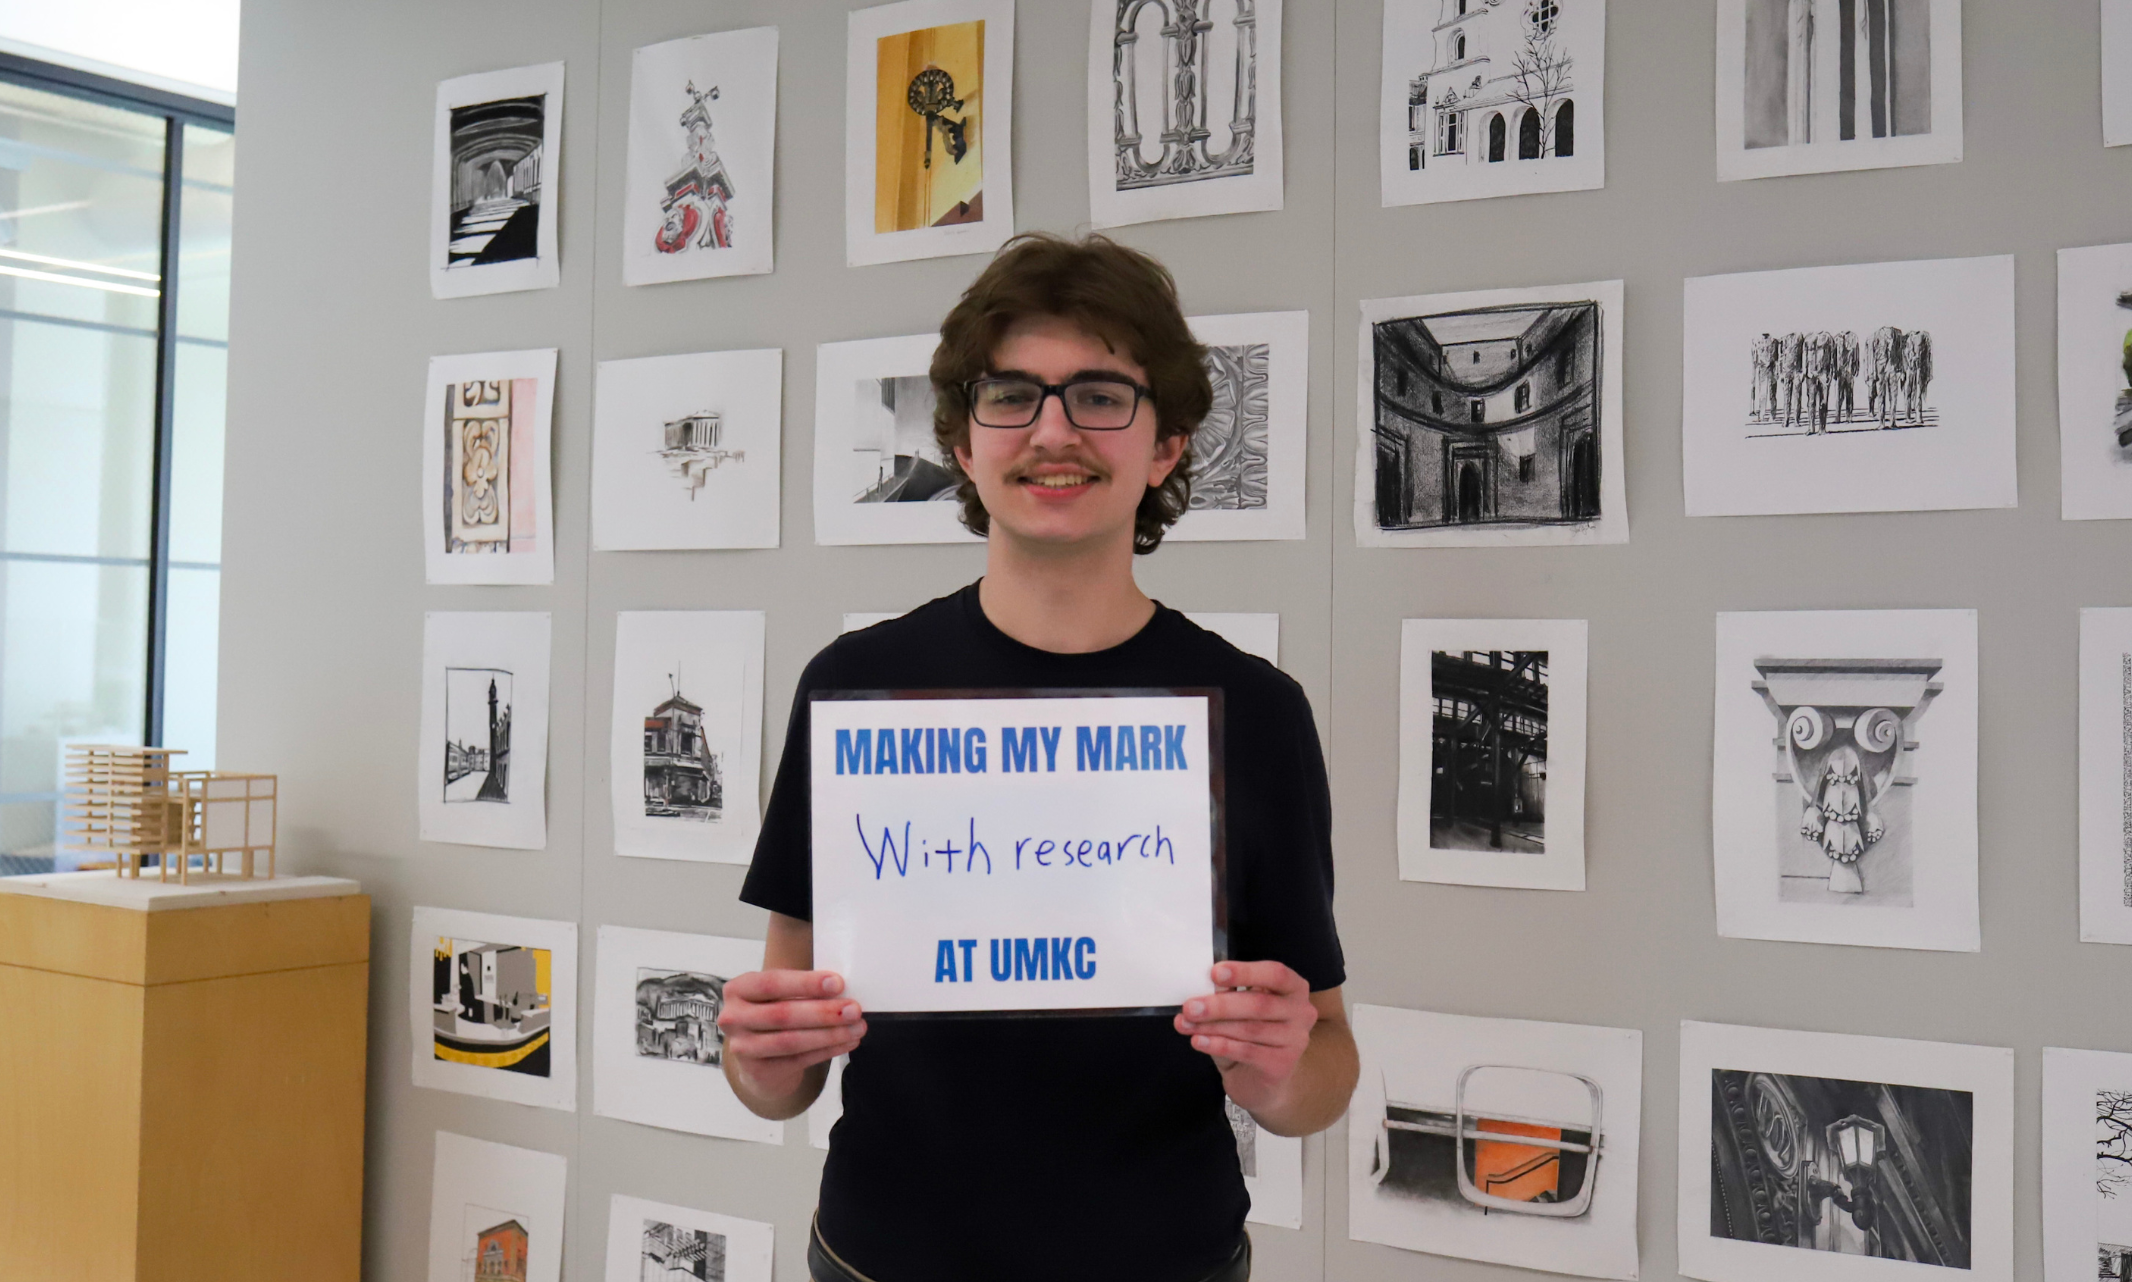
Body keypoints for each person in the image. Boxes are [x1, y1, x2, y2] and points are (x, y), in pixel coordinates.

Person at [720, 233, 1354, 1282]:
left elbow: (1323, 1068)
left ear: (1166, 446)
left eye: (1099, 394)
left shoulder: (1256, 712)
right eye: (1011, 394)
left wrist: (1279, 1065)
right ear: (965, 444)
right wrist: (760, 1057)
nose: (1052, 429)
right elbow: (777, 1076)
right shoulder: (853, 687)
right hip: (881, 1258)